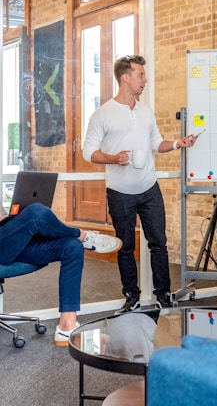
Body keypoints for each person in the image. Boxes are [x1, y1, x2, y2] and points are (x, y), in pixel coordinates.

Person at [82, 54, 197, 314]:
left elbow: (157, 143)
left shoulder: (145, 112)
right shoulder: (103, 114)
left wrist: (178, 143)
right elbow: (88, 152)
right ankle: (131, 297)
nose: (145, 80)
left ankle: (162, 295)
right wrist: (112, 158)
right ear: (126, 77)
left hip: (149, 188)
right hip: (120, 192)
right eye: (140, 75)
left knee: (158, 242)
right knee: (125, 245)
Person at [0, 202, 120, 346]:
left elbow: (2, 218)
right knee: (36, 212)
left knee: (72, 247)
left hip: (8, 243)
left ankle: (66, 327)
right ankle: (82, 235)